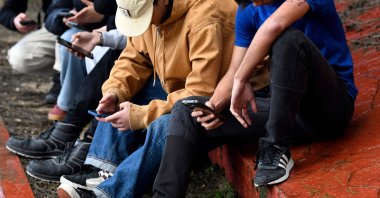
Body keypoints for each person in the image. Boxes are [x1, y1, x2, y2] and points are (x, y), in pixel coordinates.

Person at [152, 0, 358, 196]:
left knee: (287, 39)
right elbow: (234, 70)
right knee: (185, 110)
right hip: (286, 113)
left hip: (329, 109)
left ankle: (275, 148)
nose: (254, 4)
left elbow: (274, 25)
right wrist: (213, 106)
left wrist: (242, 78)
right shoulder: (248, 9)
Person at [54, 0, 255, 197]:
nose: (145, 23)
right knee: (120, 98)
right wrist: (114, 91)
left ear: (163, 2)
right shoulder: (152, 11)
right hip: (179, 87)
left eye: (145, 16)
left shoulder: (205, 18)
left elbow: (201, 92)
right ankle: (104, 172)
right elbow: (133, 58)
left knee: (168, 123)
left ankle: (111, 191)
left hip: (225, 96)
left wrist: (141, 115)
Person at [5, 0, 121, 182]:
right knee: (114, 63)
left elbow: (126, 24)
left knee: (118, 65)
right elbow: (53, 10)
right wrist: (63, 18)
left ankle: (88, 145)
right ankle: (70, 130)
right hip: (99, 29)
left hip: (118, 30)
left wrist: (101, 20)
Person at [0, 0, 60, 104]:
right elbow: (8, 10)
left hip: (91, 27)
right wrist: (14, 20)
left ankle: (67, 85)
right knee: (18, 56)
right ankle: (62, 77)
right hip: (56, 24)